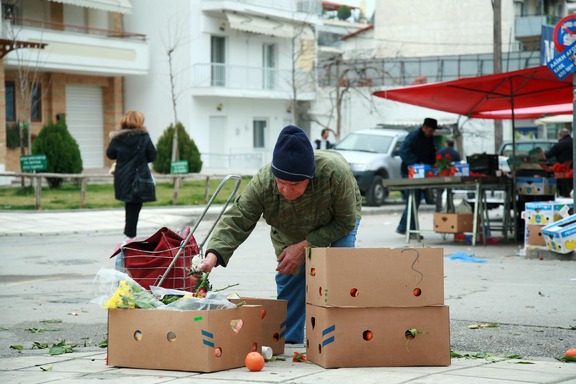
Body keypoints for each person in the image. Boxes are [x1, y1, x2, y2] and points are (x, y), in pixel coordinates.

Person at [194, 125, 362, 344]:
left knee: (338, 272)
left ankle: (340, 337)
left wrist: (306, 246)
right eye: (281, 182)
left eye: (294, 184)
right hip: (290, 227)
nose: (286, 190)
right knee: (290, 272)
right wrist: (213, 255)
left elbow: (345, 221)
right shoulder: (263, 182)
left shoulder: (334, 174)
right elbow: (239, 218)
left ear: (309, 177)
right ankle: (290, 339)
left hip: (335, 222)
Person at [106, 111, 157, 239]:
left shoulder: (118, 137)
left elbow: (110, 154)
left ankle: (129, 234)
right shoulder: (143, 136)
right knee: (134, 204)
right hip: (139, 176)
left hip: (123, 176)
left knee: (130, 204)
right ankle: (130, 235)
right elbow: (152, 155)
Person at [396, 117, 437, 239]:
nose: (431, 134)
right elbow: (403, 152)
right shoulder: (413, 136)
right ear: (424, 128)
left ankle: (404, 227)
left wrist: (433, 164)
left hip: (423, 172)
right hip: (409, 171)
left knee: (414, 199)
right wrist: (416, 162)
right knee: (413, 198)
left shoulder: (429, 138)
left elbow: (430, 154)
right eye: (430, 131)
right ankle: (409, 229)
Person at [435, 138, 461, 212]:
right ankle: (450, 207)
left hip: (441, 174)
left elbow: (436, 163)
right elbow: (458, 165)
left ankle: (438, 207)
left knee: (439, 191)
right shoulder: (456, 153)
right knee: (449, 190)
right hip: (451, 175)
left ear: (446, 144)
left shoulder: (440, 152)